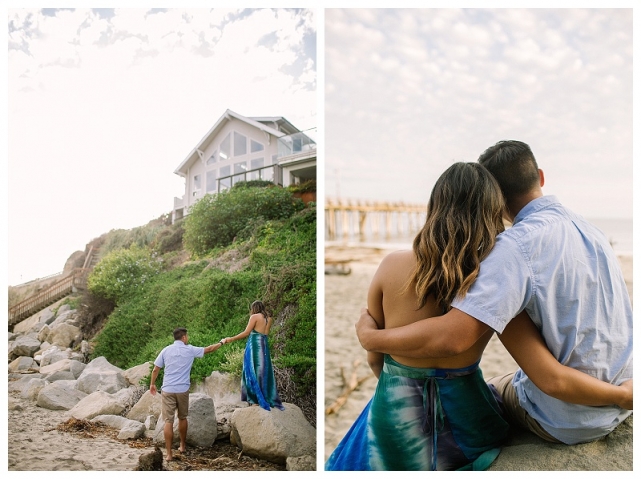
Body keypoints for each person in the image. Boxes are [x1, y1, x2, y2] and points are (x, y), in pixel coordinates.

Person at [326, 162, 631, 471]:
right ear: (492, 213)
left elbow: (375, 361)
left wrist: (385, 363)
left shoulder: (391, 266)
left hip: (396, 407)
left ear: (435, 205)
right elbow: (542, 370)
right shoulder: (489, 279)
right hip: (467, 418)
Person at [150, 327, 225, 462]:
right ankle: (182, 445)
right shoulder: (190, 349)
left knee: (168, 421)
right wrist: (222, 342)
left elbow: (156, 369)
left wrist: (152, 384)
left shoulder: (166, 350)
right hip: (182, 390)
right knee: (183, 417)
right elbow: (209, 349)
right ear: (184, 337)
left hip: (168, 389)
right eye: (187, 336)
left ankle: (168, 454)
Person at [224, 300, 284, 411]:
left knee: (252, 369)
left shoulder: (254, 317)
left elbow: (246, 333)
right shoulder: (269, 318)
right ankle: (265, 397)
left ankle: (256, 400)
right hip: (264, 344)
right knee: (264, 370)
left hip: (255, 344)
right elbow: (265, 334)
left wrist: (231, 339)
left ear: (254, 308)